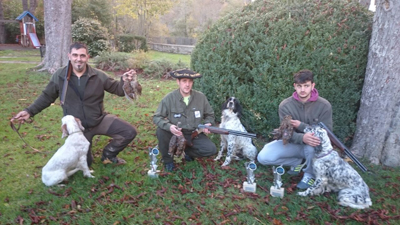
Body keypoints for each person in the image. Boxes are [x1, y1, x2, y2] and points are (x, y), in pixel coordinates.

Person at [10, 42, 137, 166]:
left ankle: (108, 155)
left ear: (87, 57)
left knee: (129, 132)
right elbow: (47, 97)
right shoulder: (60, 76)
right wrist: (29, 111)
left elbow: (118, 89)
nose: (78, 59)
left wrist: (125, 82)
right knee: (86, 163)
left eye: (82, 55)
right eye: (75, 55)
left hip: (98, 120)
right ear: (69, 56)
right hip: (76, 129)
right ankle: (87, 155)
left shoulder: (98, 75)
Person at [257, 69, 333, 189]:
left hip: (314, 146)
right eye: (299, 86)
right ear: (294, 86)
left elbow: (326, 132)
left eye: (306, 86)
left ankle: (309, 174)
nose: (303, 90)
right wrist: (302, 137)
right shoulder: (285, 105)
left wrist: (303, 128)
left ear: (313, 86)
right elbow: (285, 132)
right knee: (263, 157)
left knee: (311, 146)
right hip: (294, 143)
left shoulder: (324, 105)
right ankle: (298, 162)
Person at [153, 69, 217, 171]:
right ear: (178, 82)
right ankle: (168, 160)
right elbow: (157, 117)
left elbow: (209, 114)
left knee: (211, 149)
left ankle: (185, 151)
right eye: (184, 81)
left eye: (190, 81)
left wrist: (208, 123)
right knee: (161, 131)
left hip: (193, 134)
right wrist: (169, 127)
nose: (187, 84)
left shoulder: (200, 97)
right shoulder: (169, 98)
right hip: (175, 134)